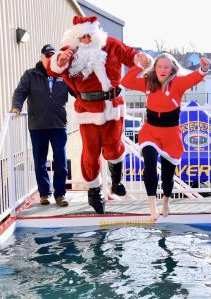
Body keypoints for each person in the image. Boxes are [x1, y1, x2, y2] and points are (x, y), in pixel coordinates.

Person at [47, 16, 150, 214]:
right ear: (76, 37)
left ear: (96, 34)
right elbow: (55, 68)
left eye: (89, 36)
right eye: (82, 36)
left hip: (112, 106)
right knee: (90, 152)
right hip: (87, 109)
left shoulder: (110, 44)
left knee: (113, 147)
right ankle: (94, 191)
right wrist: (60, 61)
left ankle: (116, 180)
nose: (86, 40)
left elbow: (129, 54)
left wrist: (141, 58)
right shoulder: (70, 51)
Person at [121, 53, 211, 221]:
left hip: (171, 135)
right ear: (154, 68)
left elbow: (195, 77)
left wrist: (204, 68)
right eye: (159, 66)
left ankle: (165, 202)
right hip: (151, 132)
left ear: (172, 69)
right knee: (149, 161)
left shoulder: (178, 83)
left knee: (168, 176)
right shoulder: (149, 83)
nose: (162, 70)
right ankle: (152, 205)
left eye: (166, 67)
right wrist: (139, 66)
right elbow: (126, 82)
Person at [10, 44, 71, 207]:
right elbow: (20, 92)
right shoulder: (30, 75)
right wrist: (16, 107)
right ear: (41, 57)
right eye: (47, 55)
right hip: (38, 125)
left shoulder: (63, 75)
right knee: (40, 161)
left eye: (53, 55)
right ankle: (44, 194)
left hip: (58, 124)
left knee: (61, 160)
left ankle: (60, 195)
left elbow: (77, 91)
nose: (50, 58)